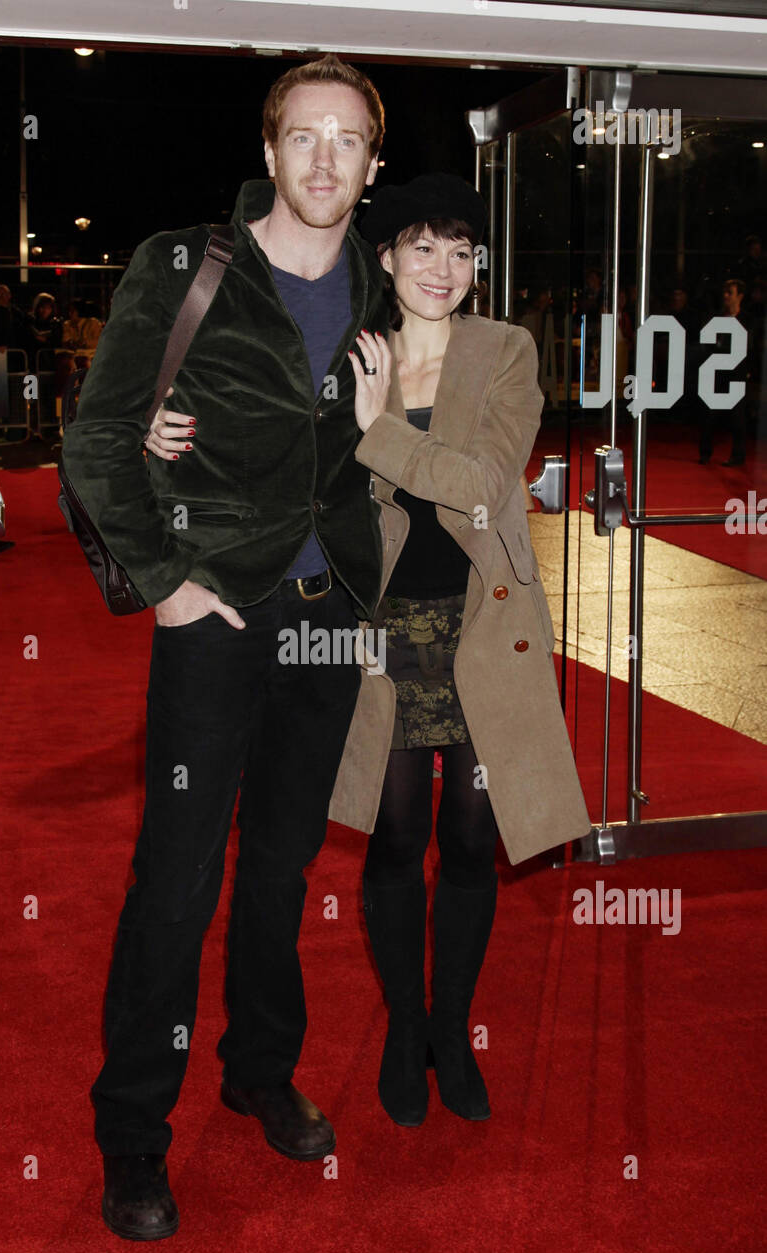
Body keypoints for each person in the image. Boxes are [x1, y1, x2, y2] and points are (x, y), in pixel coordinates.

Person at [147, 174, 593, 1131]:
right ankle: (401, 1027)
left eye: (461, 249)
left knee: (471, 842)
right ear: (383, 258)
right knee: (394, 841)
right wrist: (162, 432)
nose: (444, 268)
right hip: (376, 631)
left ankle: (449, 1030)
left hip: (481, 628)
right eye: (422, 247)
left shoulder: (505, 350)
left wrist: (377, 430)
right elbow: (263, 455)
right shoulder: (346, 350)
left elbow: (477, 488)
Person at [60, 53, 387, 1241]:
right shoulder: (186, 266)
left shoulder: (382, 286)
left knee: (282, 867)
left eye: (345, 139)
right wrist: (170, 588)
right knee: (177, 877)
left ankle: (257, 1069)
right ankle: (134, 1136)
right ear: (267, 152)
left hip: (325, 621)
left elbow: (403, 451)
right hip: (216, 621)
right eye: (301, 135)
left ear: (369, 164)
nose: (321, 158)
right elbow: (95, 443)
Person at [698, 278, 749, 468]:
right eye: (725, 293)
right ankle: (705, 453)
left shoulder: (747, 320)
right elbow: (708, 346)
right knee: (709, 418)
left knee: (738, 420)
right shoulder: (716, 319)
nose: (726, 297)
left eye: (731, 293)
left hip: (737, 377)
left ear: (740, 297)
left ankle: (738, 456)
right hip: (717, 376)